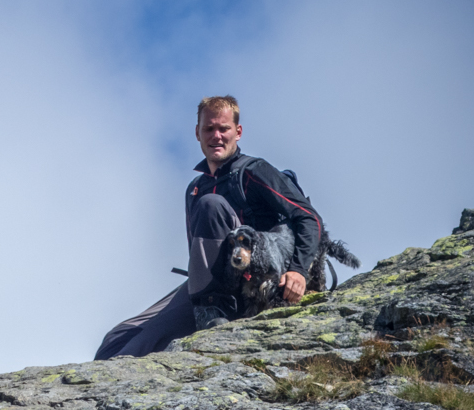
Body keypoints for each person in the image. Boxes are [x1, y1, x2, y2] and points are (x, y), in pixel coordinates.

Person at [94, 95, 322, 360]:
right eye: (208, 129)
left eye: (223, 128)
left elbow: (309, 218)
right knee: (118, 340)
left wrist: (298, 271)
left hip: (258, 281)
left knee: (211, 205)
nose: (216, 136)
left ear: (238, 132)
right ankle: (207, 313)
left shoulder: (254, 171)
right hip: (211, 286)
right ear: (197, 133)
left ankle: (215, 317)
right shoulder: (195, 189)